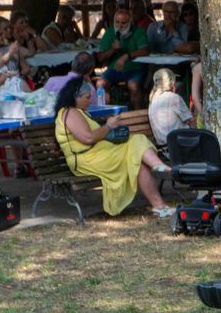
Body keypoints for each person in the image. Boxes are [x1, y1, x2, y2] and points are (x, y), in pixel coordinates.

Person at [54, 78, 171, 217]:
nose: (90, 101)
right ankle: (160, 168)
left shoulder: (77, 111)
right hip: (88, 159)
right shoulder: (70, 112)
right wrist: (108, 126)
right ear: (76, 96)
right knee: (136, 144)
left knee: (136, 157)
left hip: (97, 155)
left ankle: (159, 206)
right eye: (87, 98)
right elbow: (88, 138)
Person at [96, 7, 150, 108]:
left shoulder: (138, 31)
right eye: (117, 22)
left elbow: (145, 50)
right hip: (114, 69)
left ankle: (137, 116)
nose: (120, 26)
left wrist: (126, 56)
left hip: (135, 69)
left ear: (130, 22)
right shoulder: (110, 32)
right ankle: (103, 114)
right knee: (100, 84)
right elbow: (100, 58)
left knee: (133, 86)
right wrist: (112, 49)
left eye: (124, 23)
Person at [148, 68, 193, 146]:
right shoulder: (174, 98)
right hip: (180, 146)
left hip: (164, 149)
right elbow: (192, 121)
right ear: (172, 83)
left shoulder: (152, 101)